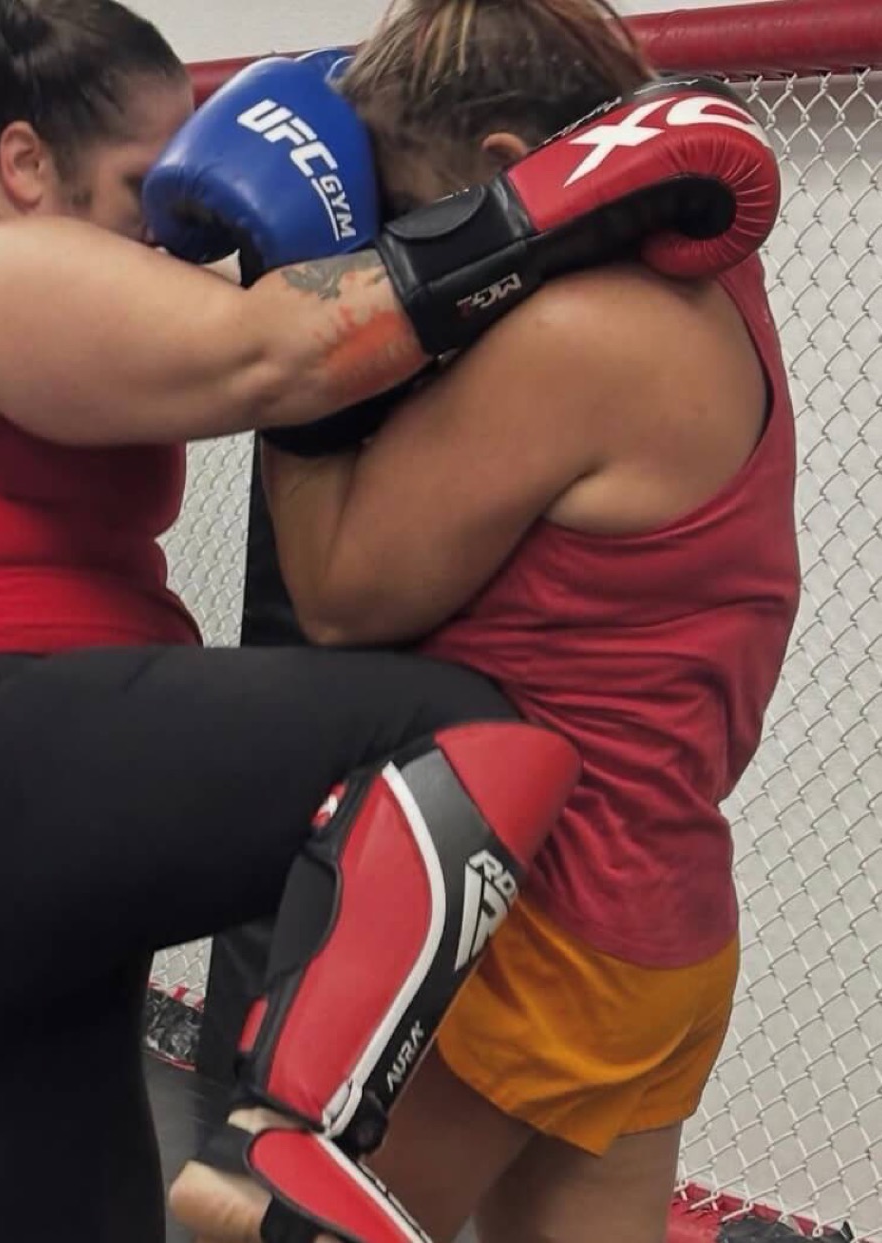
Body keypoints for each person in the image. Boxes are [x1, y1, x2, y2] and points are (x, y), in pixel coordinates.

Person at [0, 1, 777, 1239]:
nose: (172, 233)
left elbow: (320, 470)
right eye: (148, 189)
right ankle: (288, 1144)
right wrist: (556, 202)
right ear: (25, 162)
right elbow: (280, 362)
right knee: (452, 725)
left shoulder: (593, 332)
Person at [174, 3, 801, 1242]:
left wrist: (296, 328)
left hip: (534, 918)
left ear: (512, 174)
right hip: (655, 915)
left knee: (289, 1220)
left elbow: (344, 598)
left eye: (404, 208)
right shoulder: (709, 279)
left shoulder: (577, 332)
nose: (395, 251)